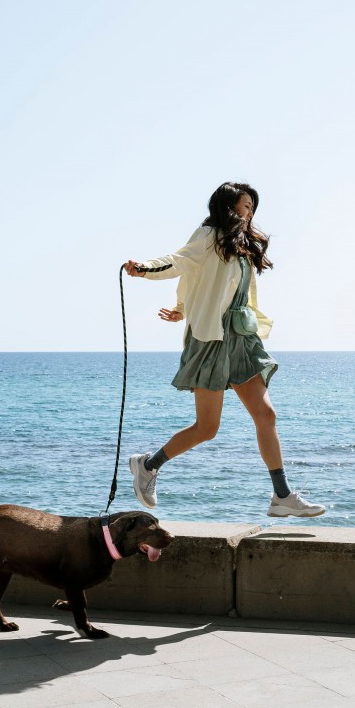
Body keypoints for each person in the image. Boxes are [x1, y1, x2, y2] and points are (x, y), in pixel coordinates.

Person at [123, 181, 325, 518]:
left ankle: (282, 496)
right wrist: (143, 269)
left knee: (266, 415)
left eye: (251, 208)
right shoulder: (208, 236)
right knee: (207, 428)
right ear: (227, 207)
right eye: (244, 207)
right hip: (212, 343)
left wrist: (184, 306)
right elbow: (178, 263)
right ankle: (148, 465)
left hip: (242, 339)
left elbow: (218, 287)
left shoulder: (240, 245)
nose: (248, 214)